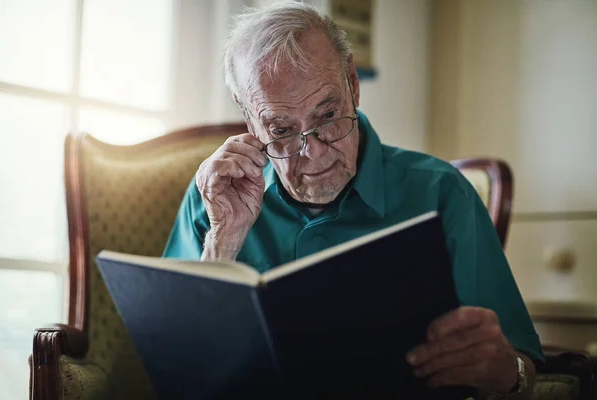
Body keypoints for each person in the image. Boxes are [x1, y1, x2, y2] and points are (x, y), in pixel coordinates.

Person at [163, 3, 543, 398]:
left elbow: (525, 368)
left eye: (327, 116)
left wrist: (507, 372)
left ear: (352, 84)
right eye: (281, 129)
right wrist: (221, 244)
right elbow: (173, 365)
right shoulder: (216, 197)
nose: (313, 153)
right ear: (249, 117)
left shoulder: (443, 194)